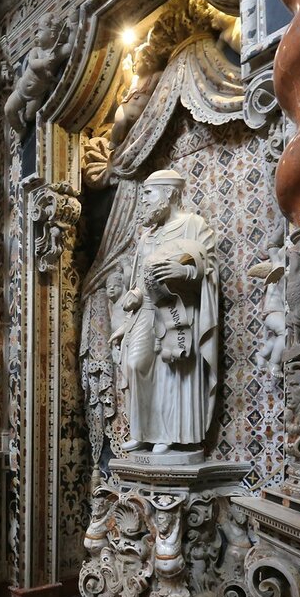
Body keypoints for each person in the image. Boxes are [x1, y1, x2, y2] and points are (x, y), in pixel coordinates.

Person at [118, 170, 219, 453]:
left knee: (171, 372)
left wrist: (184, 271)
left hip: (179, 312)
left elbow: (209, 267)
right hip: (147, 311)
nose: (144, 202)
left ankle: (166, 434)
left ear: (170, 193)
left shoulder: (193, 225)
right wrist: (134, 295)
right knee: (135, 364)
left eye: (148, 194)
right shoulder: (147, 236)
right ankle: (142, 431)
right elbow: (140, 277)